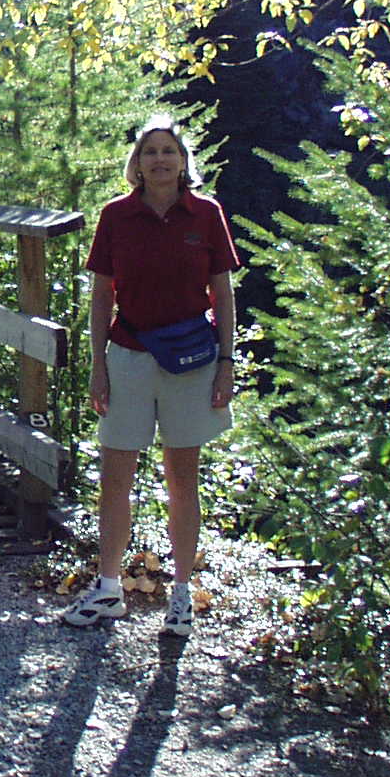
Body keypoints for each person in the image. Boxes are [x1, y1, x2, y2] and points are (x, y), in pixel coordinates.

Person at [62, 115, 238, 638]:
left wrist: (226, 362)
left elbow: (222, 293)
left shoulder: (206, 214)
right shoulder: (117, 216)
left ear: (183, 161)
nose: (160, 159)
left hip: (191, 361)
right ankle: (108, 588)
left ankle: (180, 593)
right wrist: (98, 364)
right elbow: (102, 294)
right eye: (150, 152)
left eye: (168, 151)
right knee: (115, 476)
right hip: (128, 356)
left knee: (183, 478)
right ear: (136, 163)